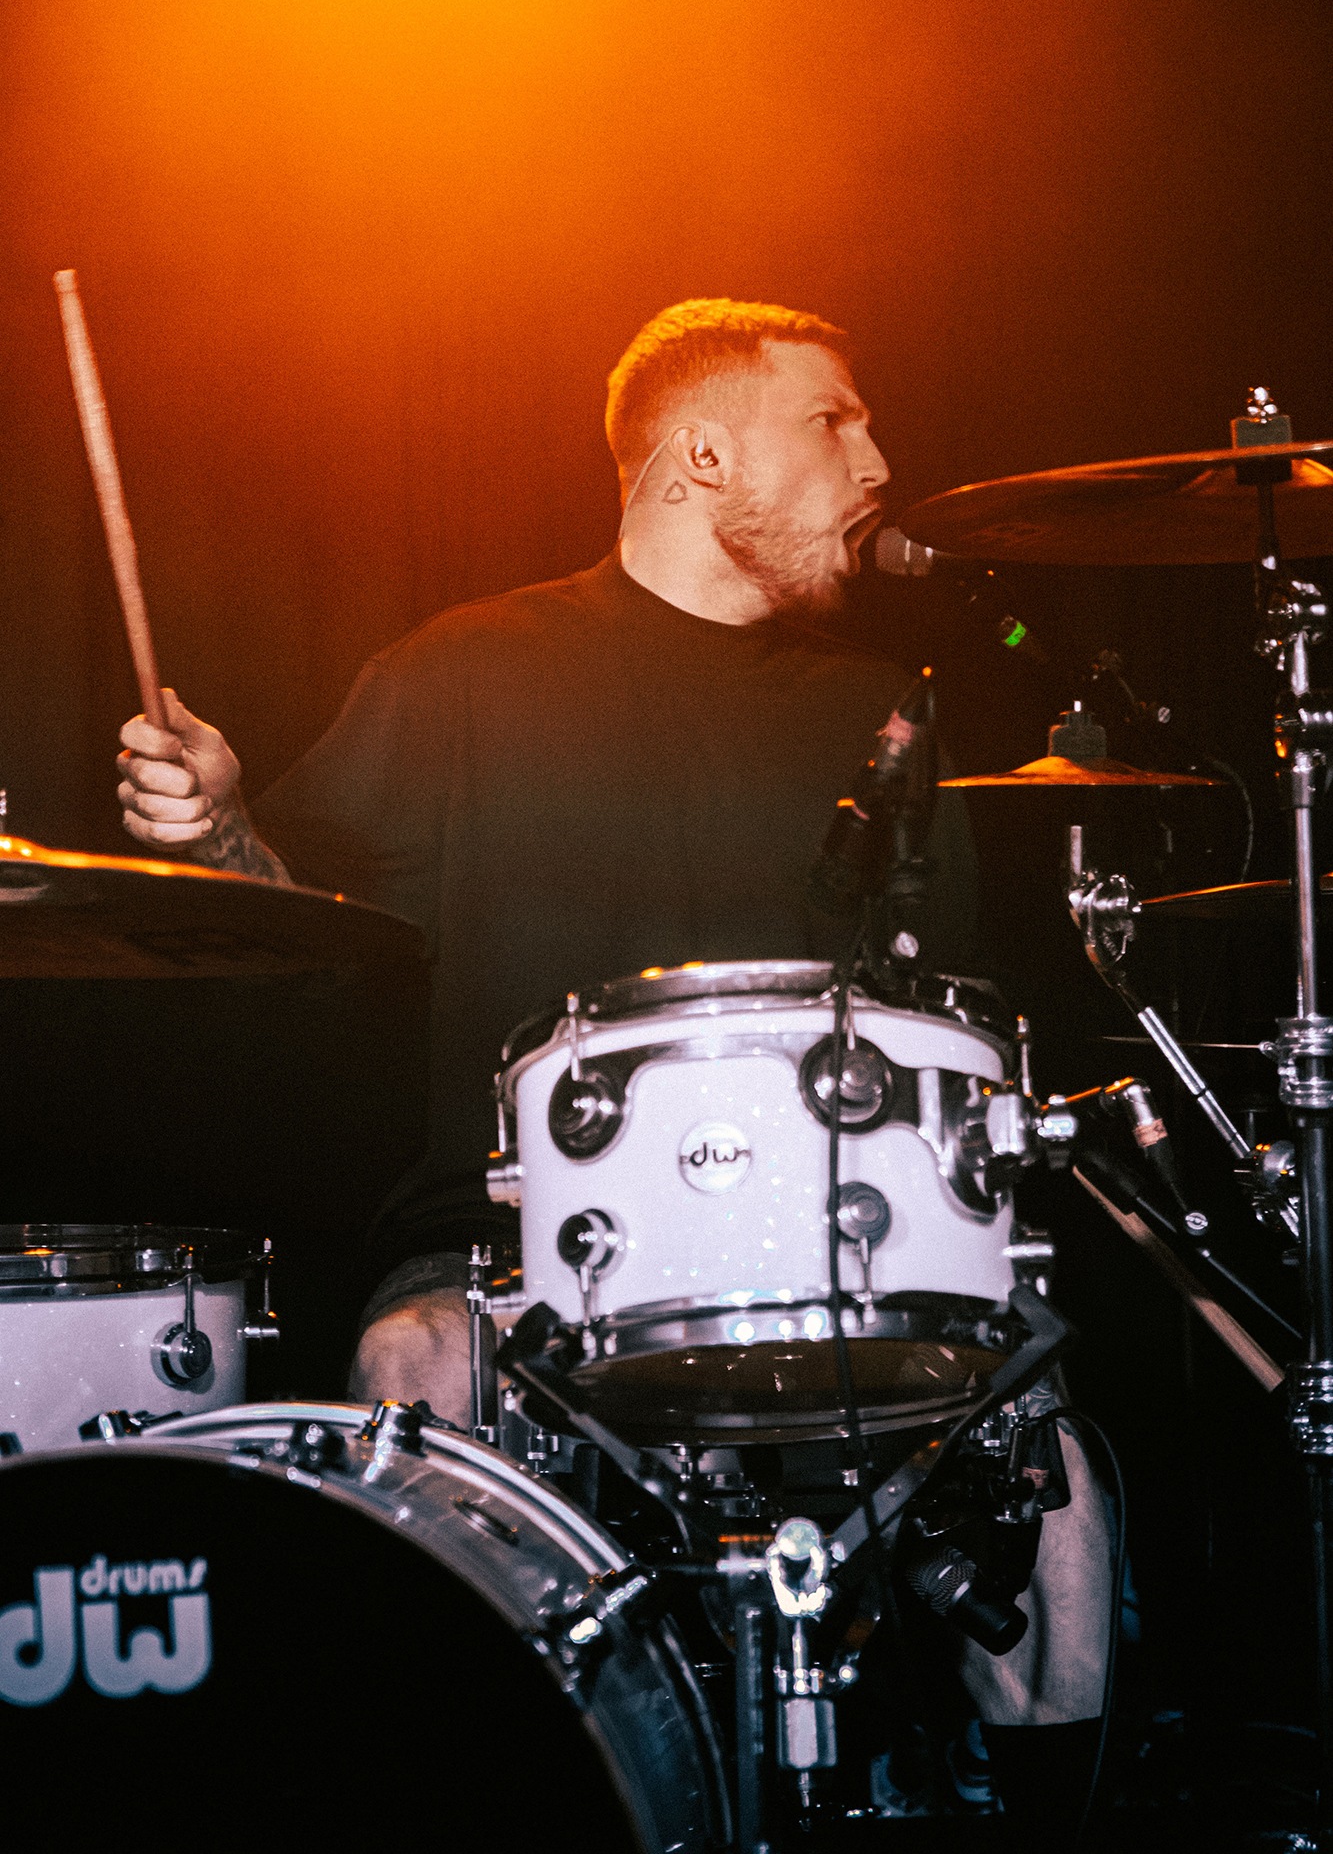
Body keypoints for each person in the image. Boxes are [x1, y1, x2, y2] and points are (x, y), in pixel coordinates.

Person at [117, 299, 1111, 1833]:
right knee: (414, 1365)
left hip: (828, 1249)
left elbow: (942, 1034)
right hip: (513, 1246)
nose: (876, 461)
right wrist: (223, 832)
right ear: (700, 455)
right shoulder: (459, 675)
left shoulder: (881, 713)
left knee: (1051, 1477)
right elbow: (306, 940)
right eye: (833, 419)